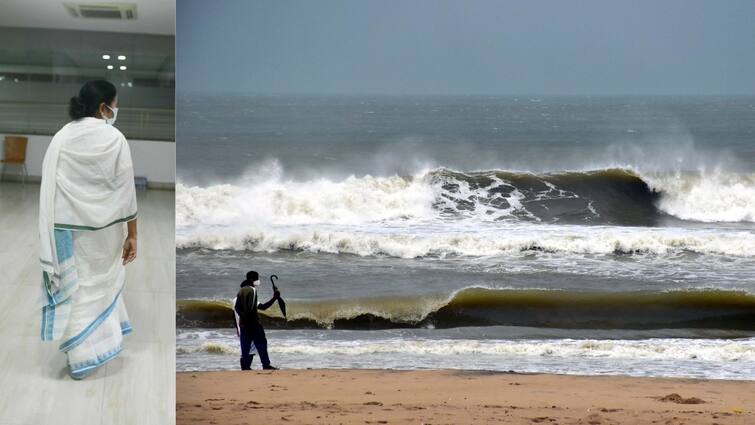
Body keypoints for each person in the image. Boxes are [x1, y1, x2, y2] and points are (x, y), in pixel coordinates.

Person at [39, 80, 137, 379]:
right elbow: (126, 190)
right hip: (104, 230)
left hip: (66, 228)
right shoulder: (115, 138)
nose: (116, 110)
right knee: (99, 285)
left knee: (76, 287)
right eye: (115, 104)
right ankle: (86, 355)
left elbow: (50, 188)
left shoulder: (62, 137)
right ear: (103, 107)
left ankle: (80, 353)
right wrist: (133, 234)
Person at [234, 271, 279, 370]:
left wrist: (243, 318)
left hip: (243, 324)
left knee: (245, 347)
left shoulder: (240, 292)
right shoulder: (253, 290)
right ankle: (266, 365)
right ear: (251, 280)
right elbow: (262, 307)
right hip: (253, 324)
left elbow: (237, 307)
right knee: (261, 343)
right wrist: (275, 298)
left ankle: (245, 367)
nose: (258, 281)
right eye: (257, 279)